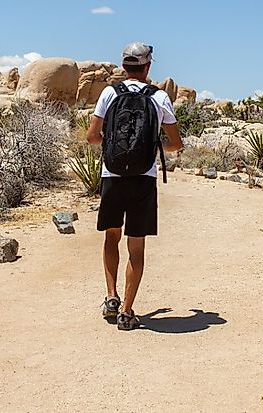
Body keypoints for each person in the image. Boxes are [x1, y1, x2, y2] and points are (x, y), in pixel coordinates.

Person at [86, 42, 184, 330]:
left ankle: (111, 297)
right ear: (148, 66)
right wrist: (153, 147)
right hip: (144, 178)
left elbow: (92, 137)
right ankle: (128, 313)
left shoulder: (109, 93)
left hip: (112, 175)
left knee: (111, 237)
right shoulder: (160, 98)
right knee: (136, 247)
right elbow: (176, 144)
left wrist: (114, 146)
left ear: (123, 65)